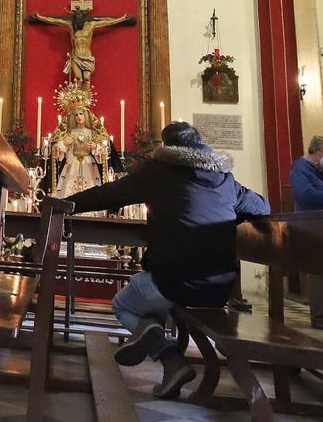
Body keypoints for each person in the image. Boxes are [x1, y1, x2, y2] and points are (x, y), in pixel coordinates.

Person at [55, 120, 270, 400]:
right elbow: (262, 206)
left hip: (175, 283)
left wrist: (68, 202)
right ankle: (169, 364)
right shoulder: (226, 181)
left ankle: (170, 357)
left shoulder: (159, 172)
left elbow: (110, 193)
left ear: (167, 148)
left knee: (124, 305)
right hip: (219, 289)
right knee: (153, 304)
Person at [290, 135, 323, 328]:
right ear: (315, 152)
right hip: (311, 226)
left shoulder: (321, 172)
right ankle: (320, 316)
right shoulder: (300, 169)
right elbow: (306, 195)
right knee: (319, 272)